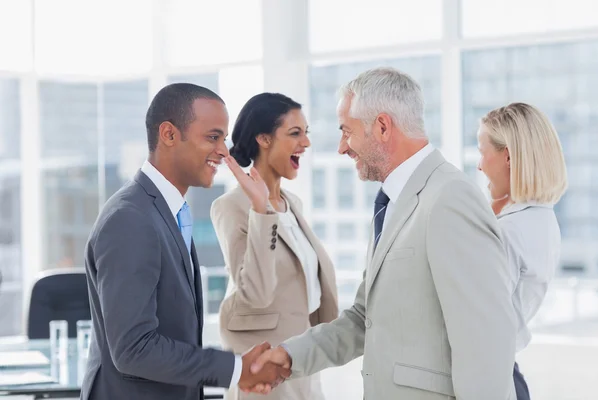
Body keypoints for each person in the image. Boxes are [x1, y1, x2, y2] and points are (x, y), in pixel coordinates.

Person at [247, 68, 518, 400]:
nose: (342, 147)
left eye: (347, 131)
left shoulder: (449, 198)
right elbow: (365, 318)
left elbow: (487, 340)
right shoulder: (392, 203)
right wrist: (291, 357)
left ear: (383, 127)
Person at [80, 83, 288, 400]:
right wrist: (236, 369)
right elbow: (134, 349)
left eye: (224, 139)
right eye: (213, 137)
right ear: (169, 134)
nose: (224, 151)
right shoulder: (131, 219)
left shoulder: (166, 212)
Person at [211, 93, 339, 400]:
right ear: (264, 139)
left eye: (306, 133)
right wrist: (261, 211)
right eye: (295, 133)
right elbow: (256, 293)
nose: (306, 143)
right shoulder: (231, 207)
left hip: (302, 362)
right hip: (265, 370)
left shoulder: (293, 205)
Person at [477, 103, 568, 400]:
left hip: (489, 379)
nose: (479, 165)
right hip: (507, 377)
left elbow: (478, 323)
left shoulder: (508, 231)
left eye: (482, 152)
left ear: (508, 157)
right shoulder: (543, 218)